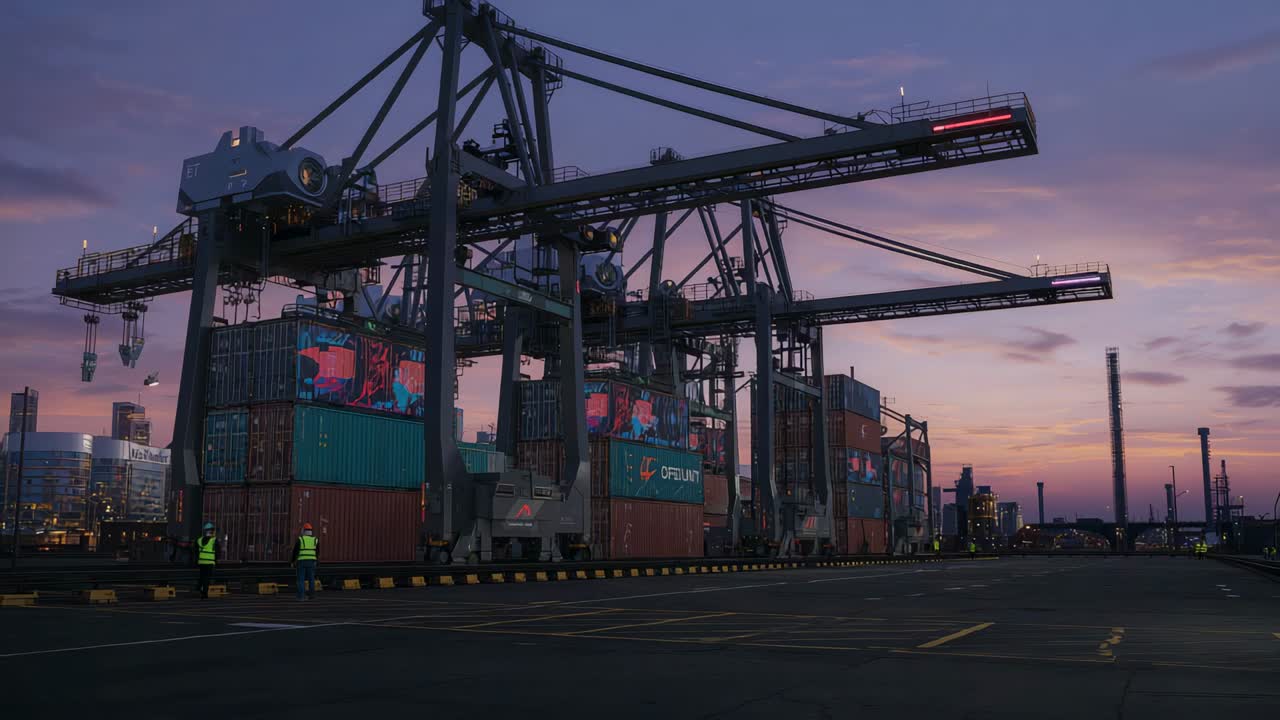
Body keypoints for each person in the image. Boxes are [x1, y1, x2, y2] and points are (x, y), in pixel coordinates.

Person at [292, 523, 319, 600]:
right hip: (311, 562)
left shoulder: (300, 539)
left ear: (303, 530)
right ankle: (312, 595)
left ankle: (301, 596)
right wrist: (316, 561)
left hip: (301, 562)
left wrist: (292, 561)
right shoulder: (315, 540)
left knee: (301, 579)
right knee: (311, 579)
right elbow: (317, 552)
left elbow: (295, 552)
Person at [195, 522, 218, 599]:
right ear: (212, 531)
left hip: (201, 562)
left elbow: (195, 551)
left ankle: (199, 587)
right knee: (207, 578)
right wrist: (216, 561)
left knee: (202, 576)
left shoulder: (199, 540)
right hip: (210, 562)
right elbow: (218, 552)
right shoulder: (214, 540)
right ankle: (204, 593)